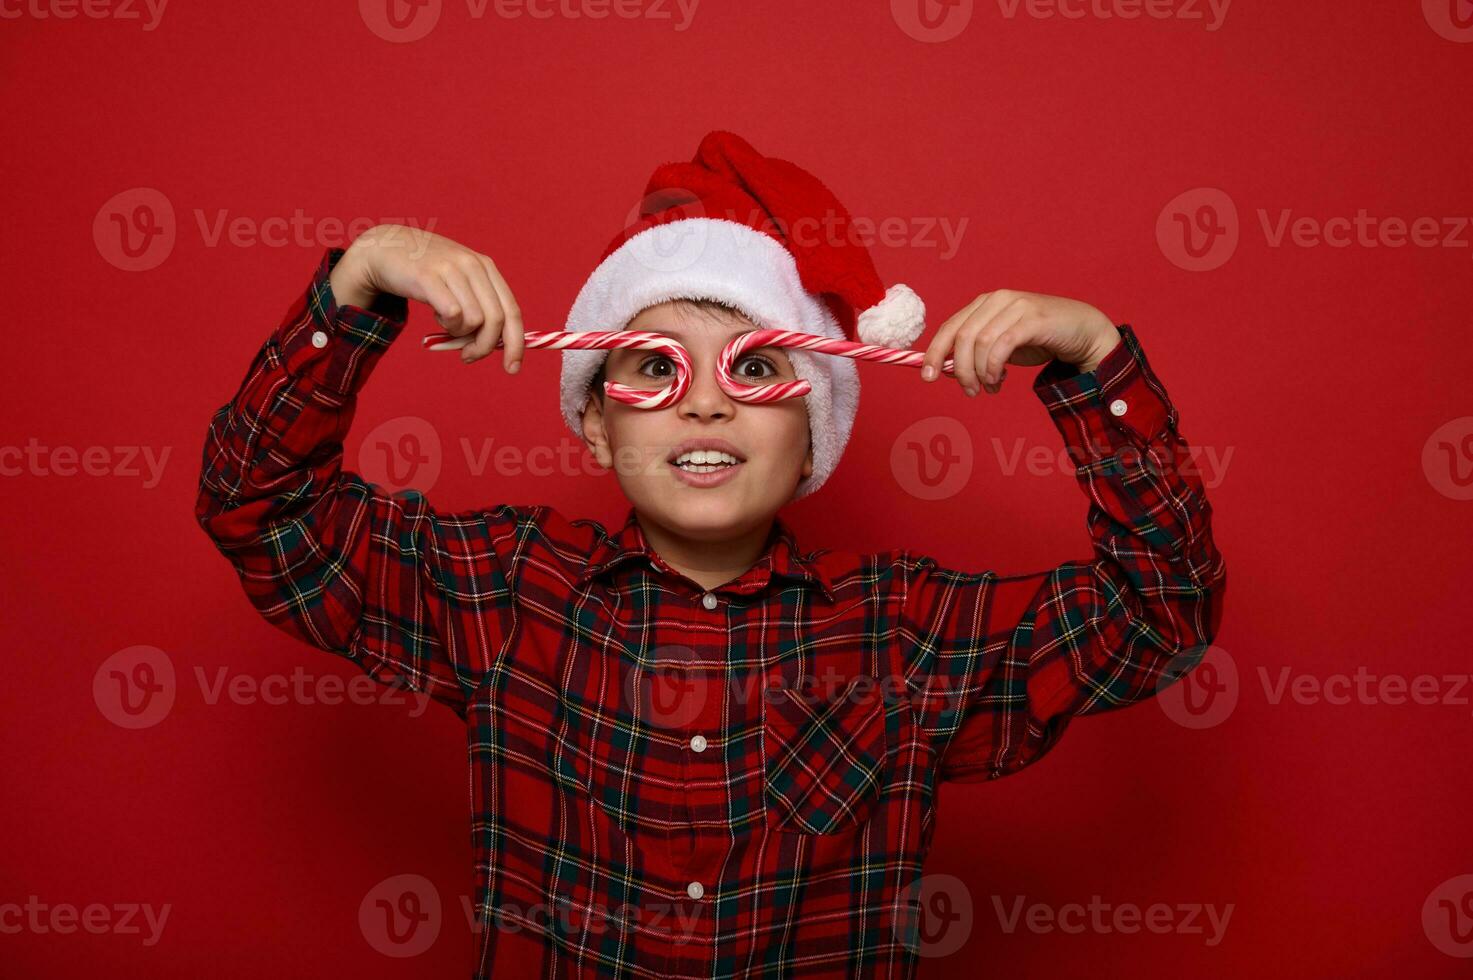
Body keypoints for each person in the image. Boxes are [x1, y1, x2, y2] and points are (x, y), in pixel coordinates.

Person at [194, 130, 1226, 978]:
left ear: (815, 429)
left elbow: (1160, 610)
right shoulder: (508, 591)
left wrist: (1097, 367)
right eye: (653, 366)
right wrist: (356, 288)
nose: (703, 398)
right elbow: (261, 507)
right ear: (596, 425)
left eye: (757, 367)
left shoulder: (904, 632)